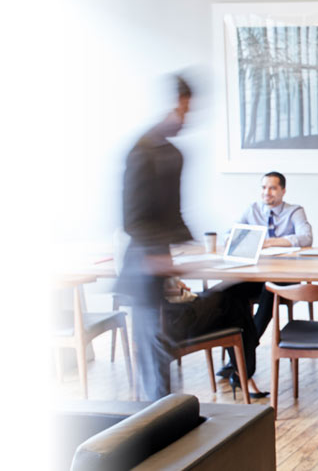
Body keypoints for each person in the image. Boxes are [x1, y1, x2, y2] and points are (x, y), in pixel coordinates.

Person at [117, 75, 264, 400]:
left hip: (168, 283)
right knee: (156, 372)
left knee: (238, 294)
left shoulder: (173, 155)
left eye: (188, 112)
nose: (184, 119)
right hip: (145, 281)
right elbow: (132, 219)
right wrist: (159, 257)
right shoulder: (141, 152)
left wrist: (190, 250)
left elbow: (175, 216)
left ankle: (238, 376)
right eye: (181, 111)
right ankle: (159, 426)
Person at [216, 171, 314, 378]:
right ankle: (239, 351)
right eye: (263, 187)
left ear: (282, 191)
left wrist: (268, 242)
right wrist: (241, 239)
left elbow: (305, 238)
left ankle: (246, 347)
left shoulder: (294, 211)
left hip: (284, 275)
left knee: (271, 289)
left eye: (272, 188)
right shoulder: (252, 210)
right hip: (256, 274)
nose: (266, 192)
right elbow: (230, 235)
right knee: (229, 290)